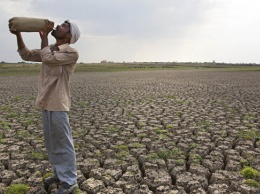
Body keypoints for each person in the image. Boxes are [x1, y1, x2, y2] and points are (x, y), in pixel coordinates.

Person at [10, 19, 80, 194]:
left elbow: (47, 59)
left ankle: (70, 181)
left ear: (70, 35)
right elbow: (25, 55)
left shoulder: (71, 52)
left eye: (63, 25)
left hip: (58, 102)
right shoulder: (49, 49)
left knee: (63, 143)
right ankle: (59, 174)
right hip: (46, 102)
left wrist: (46, 36)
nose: (58, 26)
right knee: (51, 143)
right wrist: (18, 34)